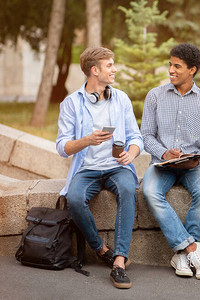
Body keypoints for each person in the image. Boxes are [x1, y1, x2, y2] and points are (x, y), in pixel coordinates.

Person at [56, 47, 143, 289]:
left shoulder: (121, 99)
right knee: (74, 198)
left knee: (128, 191)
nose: (114, 69)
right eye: (109, 65)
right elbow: (62, 147)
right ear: (94, 70)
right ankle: (102, 249)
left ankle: (119, 261)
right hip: (87, 169)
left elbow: (136, 137)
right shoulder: (71, 103)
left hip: (118, 167)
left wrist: (131, 153)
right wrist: (86, 140)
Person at [141, 43, 200, 280]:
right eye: (170, 64)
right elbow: (146, 136)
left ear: (192, 70)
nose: (171, 70)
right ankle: (190, 248)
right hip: (163, 165)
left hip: (194, 166)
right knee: (150, 191)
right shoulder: (155, 96)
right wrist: (164, 153)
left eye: (177, 66)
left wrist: (198, 158)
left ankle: (182, 254)